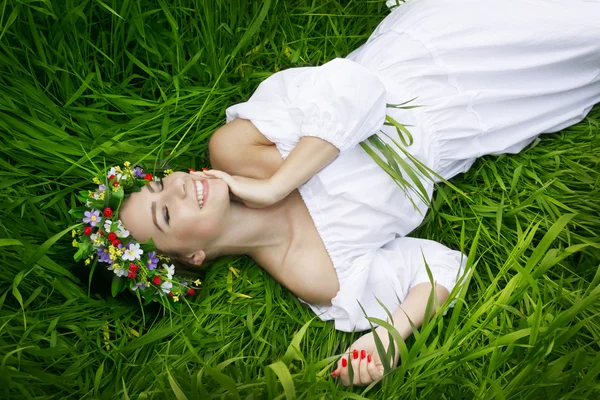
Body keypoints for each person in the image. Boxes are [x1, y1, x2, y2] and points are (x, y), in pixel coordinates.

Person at [88, 0, 600, 387]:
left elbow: (360, 91)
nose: (178, 185)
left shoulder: (235, 147)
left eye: (161, 182)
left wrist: (273, 186)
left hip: (433, 46)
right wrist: (390, 335)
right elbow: (443, 269)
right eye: (165, 213)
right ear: (192, 256)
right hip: (490, 114)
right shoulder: (315, 274)